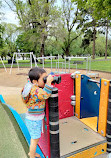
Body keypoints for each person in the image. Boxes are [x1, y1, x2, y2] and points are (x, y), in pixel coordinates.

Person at [21, 67, 53, 158]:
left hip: (32, 118)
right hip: (34, 120)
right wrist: (48, 83)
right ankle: (32, 155)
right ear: (35, 81)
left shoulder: (30, 86)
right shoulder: (36, 90)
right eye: (44, 79)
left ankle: (32, 153)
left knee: (35, 138)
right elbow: (46, 94)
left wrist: (44, 82)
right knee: (35, 139)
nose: (45, 80)